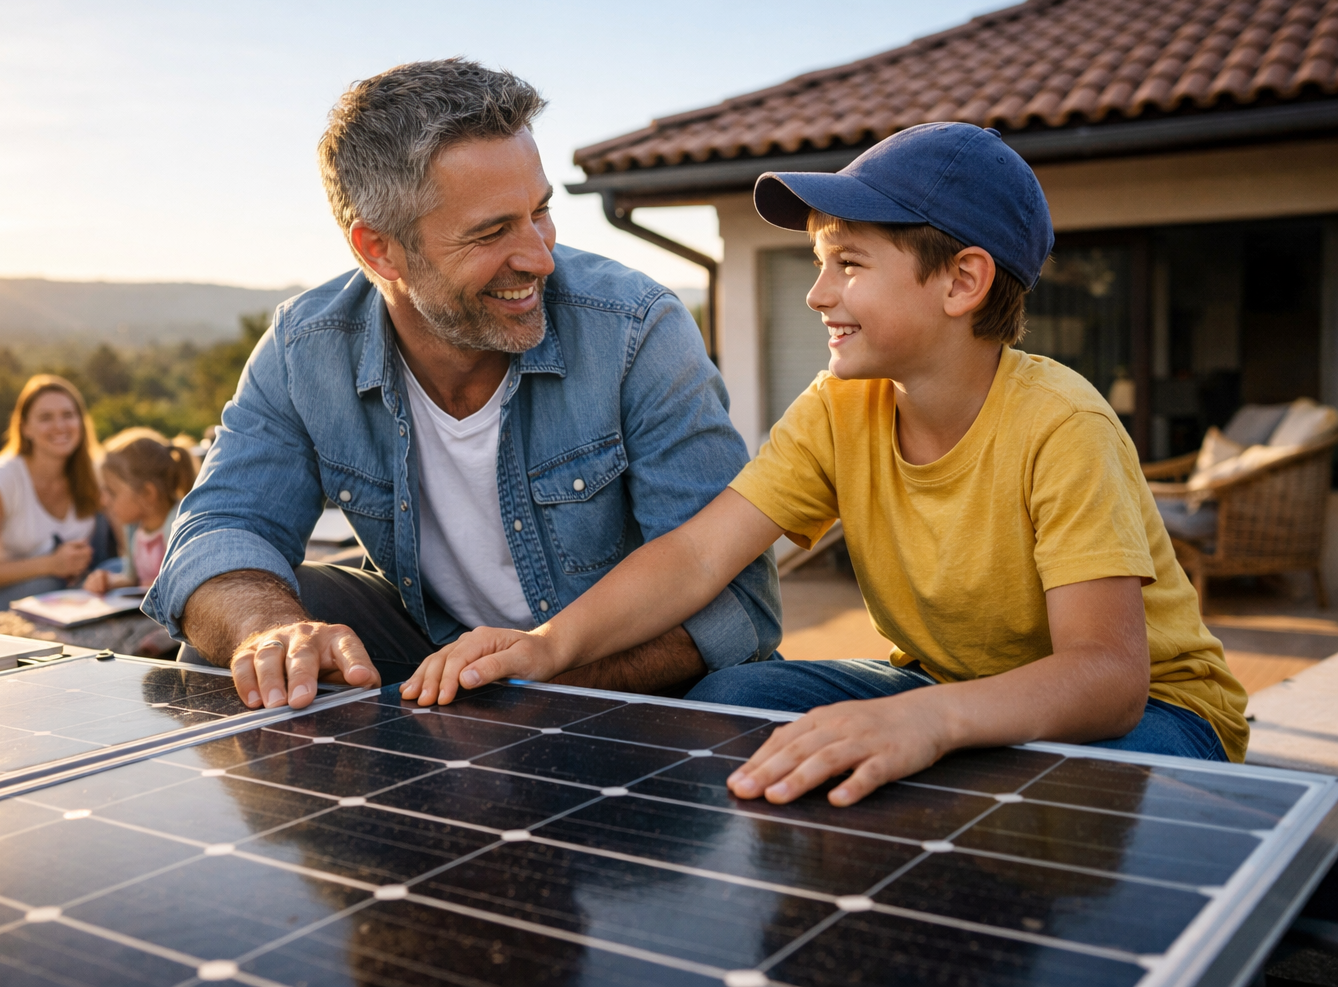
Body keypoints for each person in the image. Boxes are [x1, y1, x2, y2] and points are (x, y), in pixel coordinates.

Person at [402, 122, 1249, 807]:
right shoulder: (841, 406)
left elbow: (1108, 679)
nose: (817, 295)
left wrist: (932, 719)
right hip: (947, 682)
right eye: (818, 265)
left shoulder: (1063, 425)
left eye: (849, 264)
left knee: (1008, 788)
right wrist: (546, 648)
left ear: (961, 283)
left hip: (1164, 715)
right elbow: (701, 554)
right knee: (737, 699)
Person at [142, 59, 781, 709]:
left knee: (742, 685)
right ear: (379, 251)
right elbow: (219, 527)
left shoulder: (635, 331)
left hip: (615, 672)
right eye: (492, 231)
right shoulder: (304, 350)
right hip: (436, 651)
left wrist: (523, 682)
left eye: (540, 212)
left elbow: (735, 607)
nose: (539, 256)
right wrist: (267, 630)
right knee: (250, 637)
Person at [0, 374, 104, 626]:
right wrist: (52, 564)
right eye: (45, 418)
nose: (60, 426)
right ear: (25, 427)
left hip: (57, 595)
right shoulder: (1, 480)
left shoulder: (91, 473)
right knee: (50, 583)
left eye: (68, 415)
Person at [84, 428, 198, 594]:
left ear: (147, 494)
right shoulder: (133, 528)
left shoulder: (177, 526)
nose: (103, 501)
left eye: (112, 493)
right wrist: (107, 581)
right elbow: (131, 579)